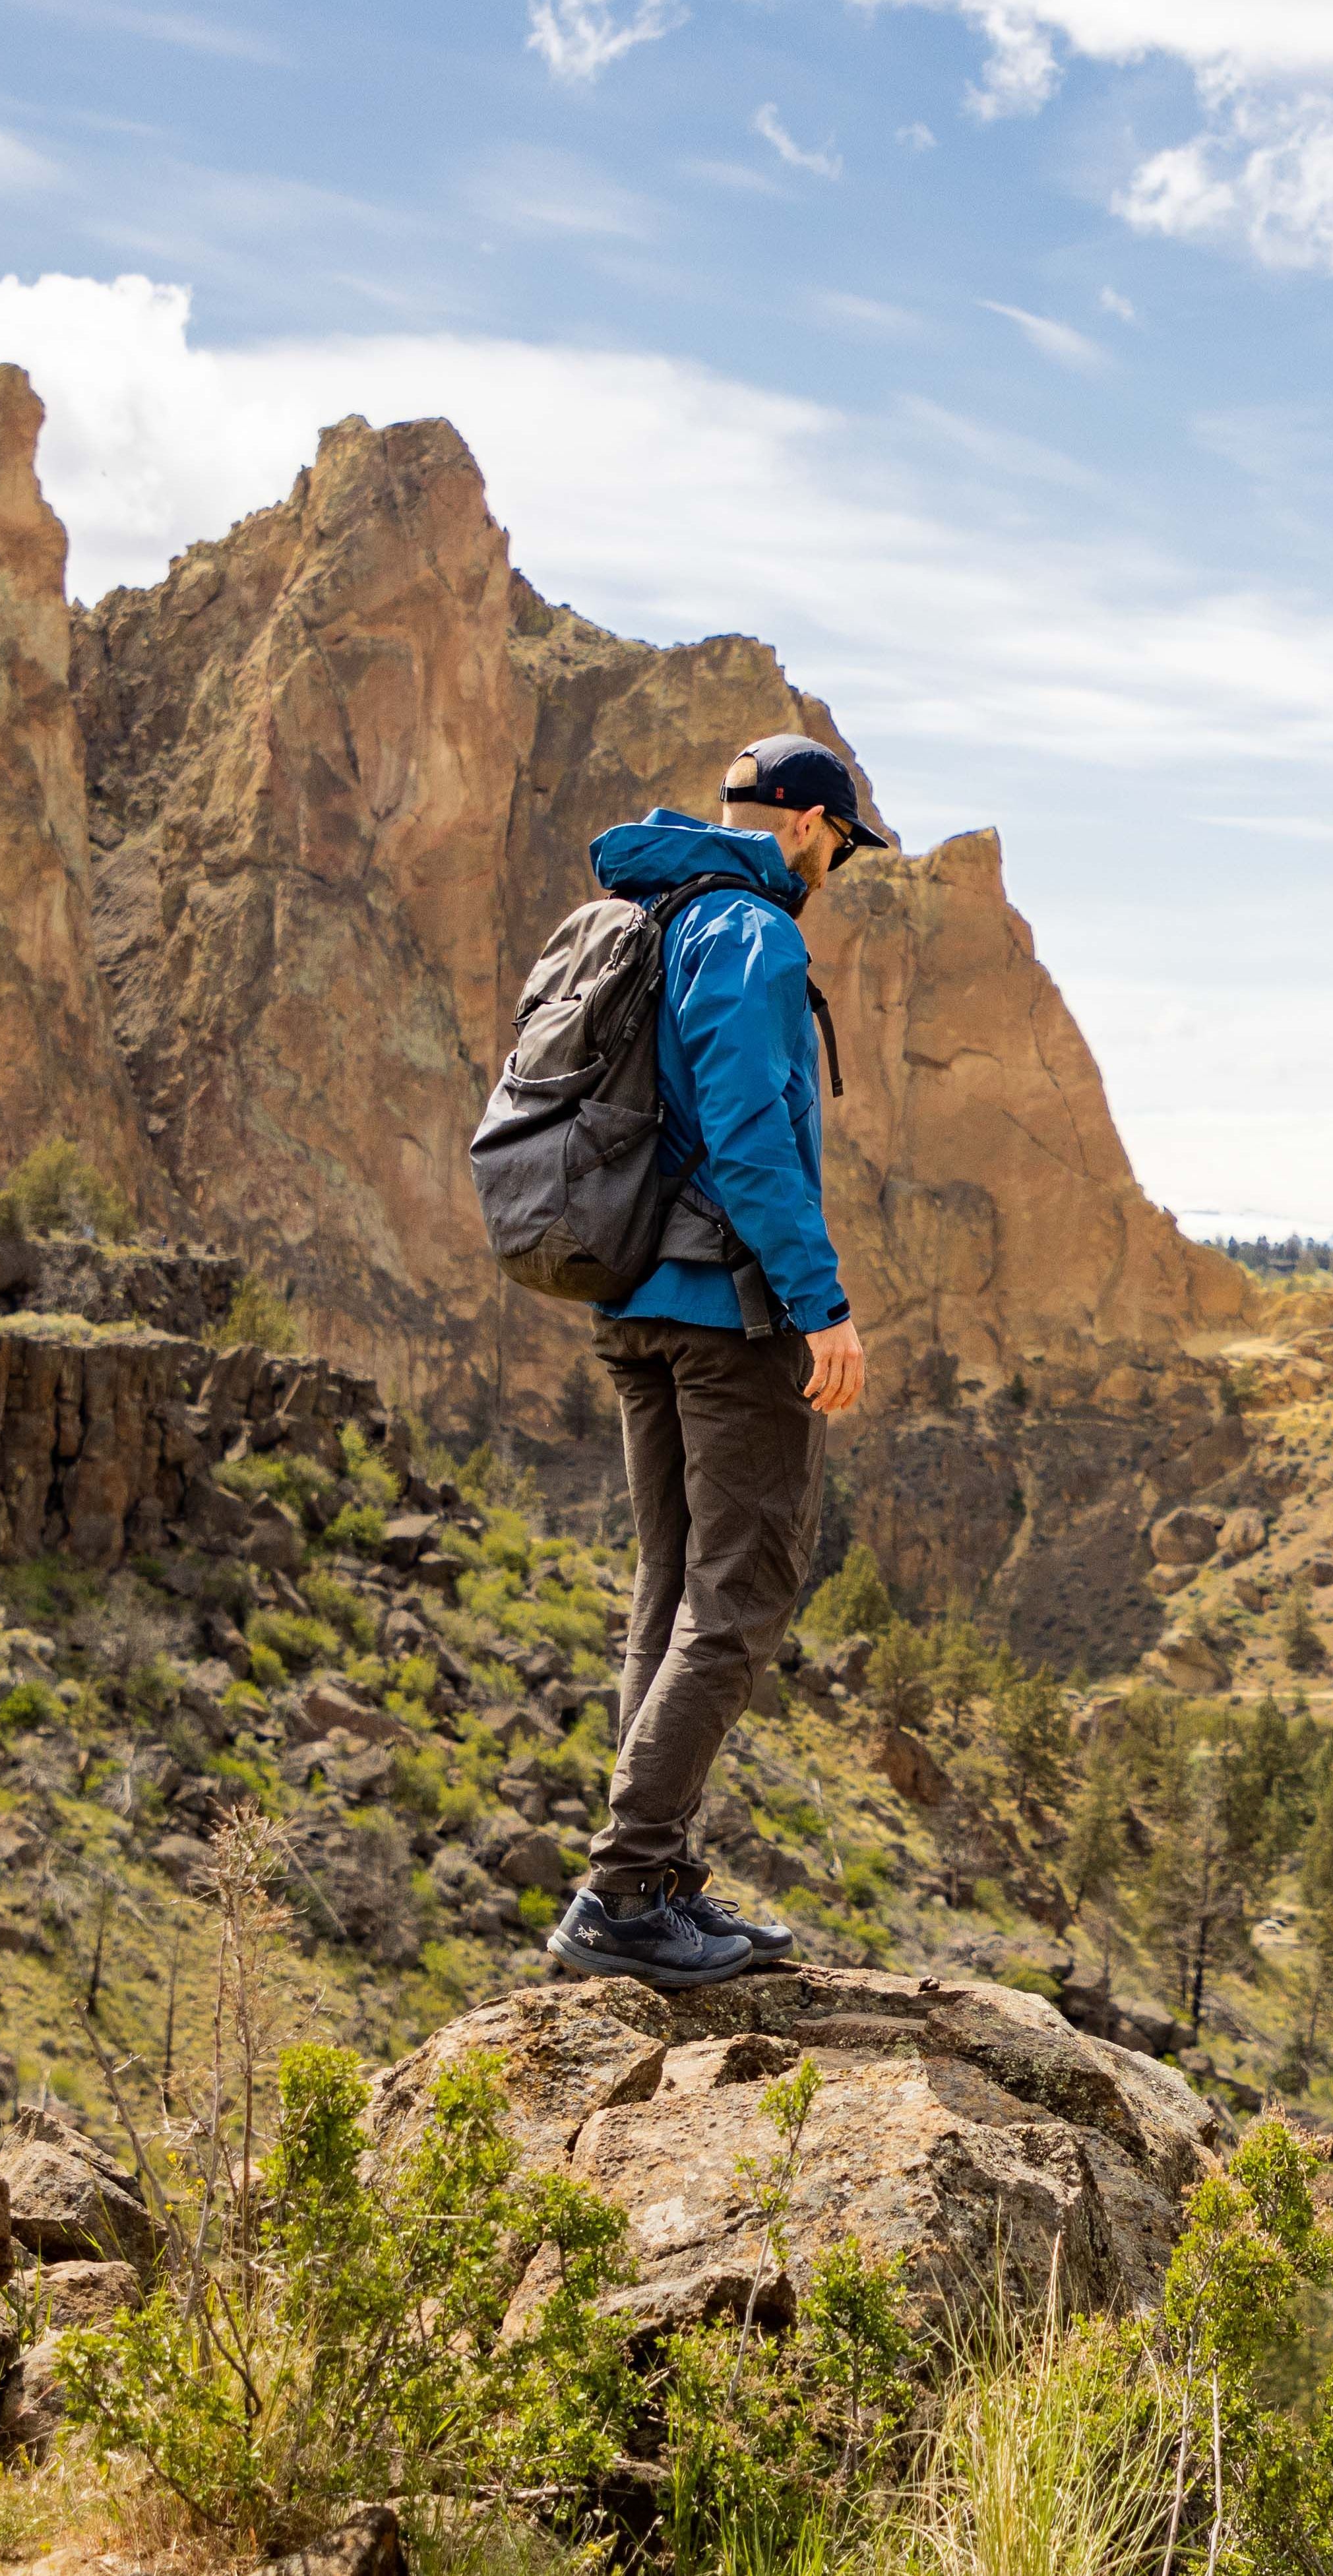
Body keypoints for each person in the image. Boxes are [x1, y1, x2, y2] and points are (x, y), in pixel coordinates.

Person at [543, 732, 889, 1987]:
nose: (833, 871)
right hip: (723, 1313)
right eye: (839, 848)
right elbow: (750, 1135)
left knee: (674, 1590)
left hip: (631, 1298)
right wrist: (821, 1306)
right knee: (738, 1600)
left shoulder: (653, 911)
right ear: (802, 823)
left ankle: (653, 1879)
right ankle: (626, 1886)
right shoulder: (750, 930)